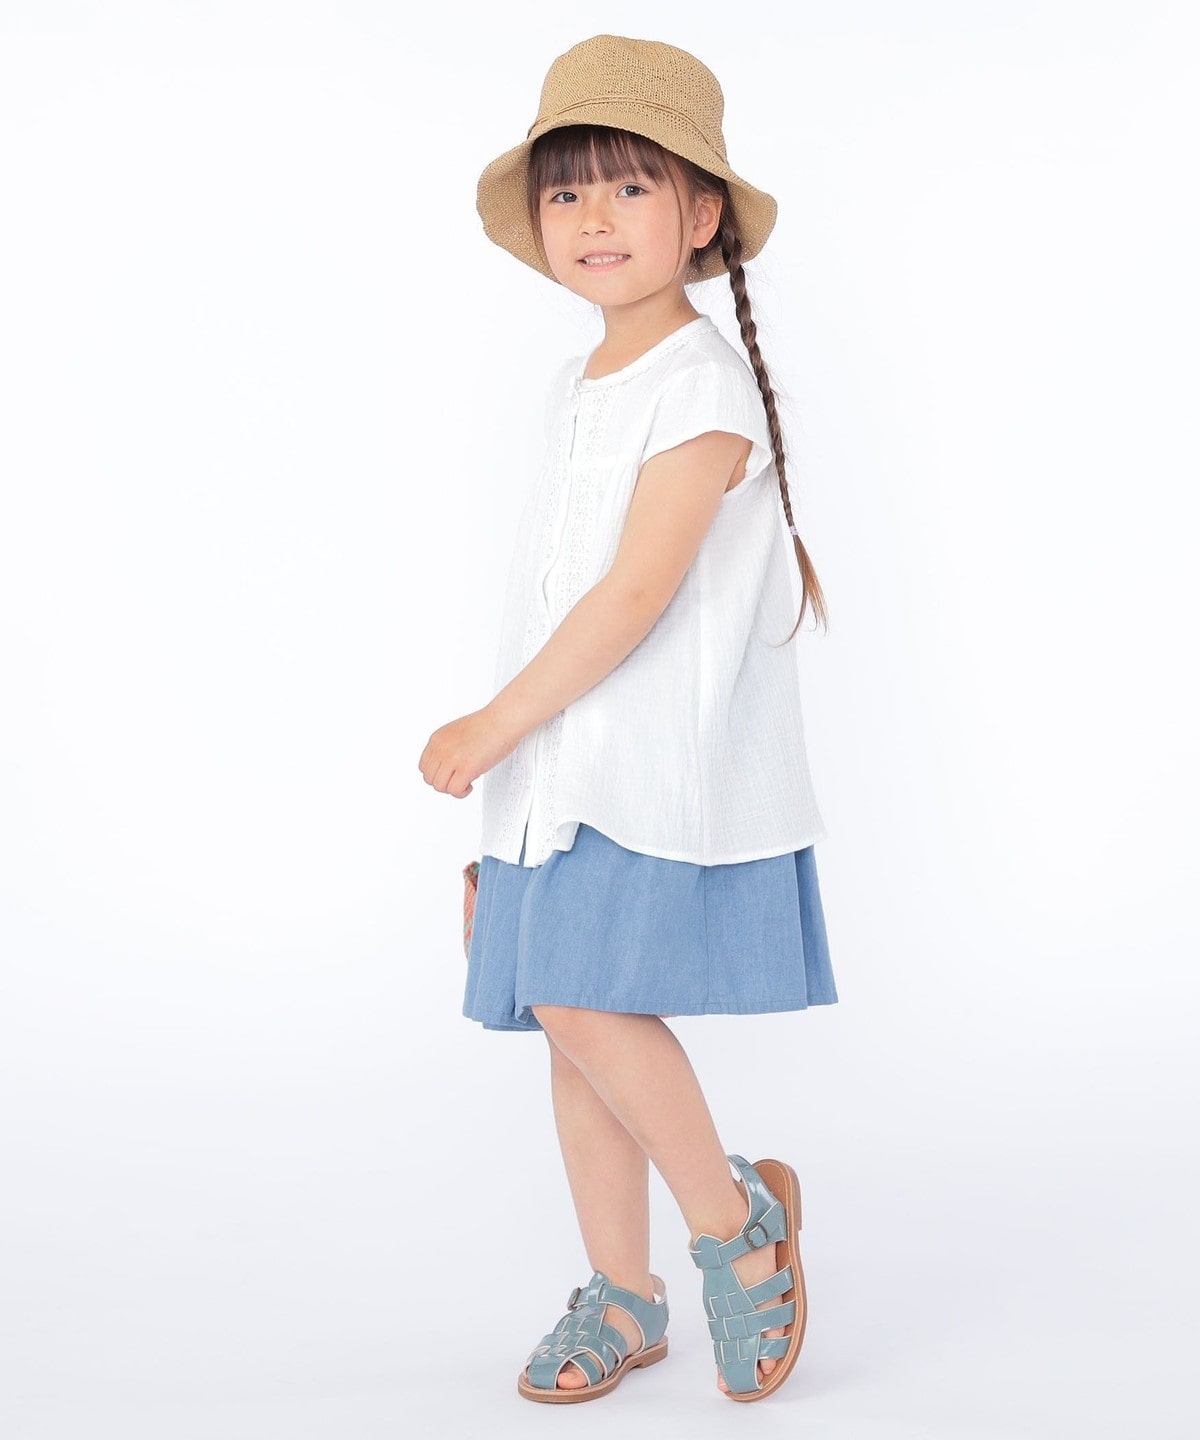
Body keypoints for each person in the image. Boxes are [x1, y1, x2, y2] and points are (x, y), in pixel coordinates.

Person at [418, 34, 838, 1404]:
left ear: (701, 213)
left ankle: (735, 1224)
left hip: (646, 769)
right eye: (567, 191)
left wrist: (491, 725)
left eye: (630, 185)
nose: (593, 217)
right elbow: (547, 588)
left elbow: (636, 594)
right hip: (559, 771)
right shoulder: (575, 387)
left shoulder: (702, 387)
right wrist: (513, 785)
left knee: (585, 1001)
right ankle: (625, 1290)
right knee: (571, 1023)